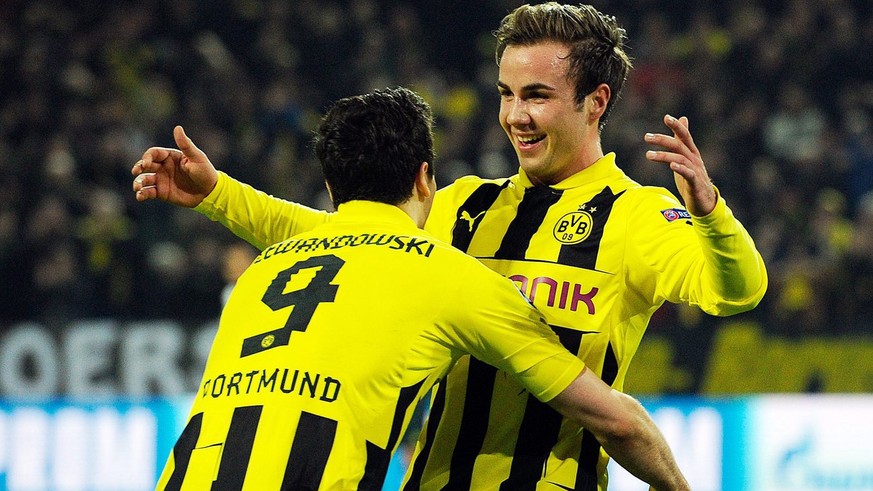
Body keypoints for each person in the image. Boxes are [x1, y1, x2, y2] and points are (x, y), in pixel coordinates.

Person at [133, 4, 767, 489]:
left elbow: (736, 292)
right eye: (507, 94)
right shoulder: (465, 204)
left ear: (596, 102)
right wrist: (219, 193)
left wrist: (710, 213)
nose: (516, 115)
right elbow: (343, 242)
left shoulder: (637, 215)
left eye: (537, 96)